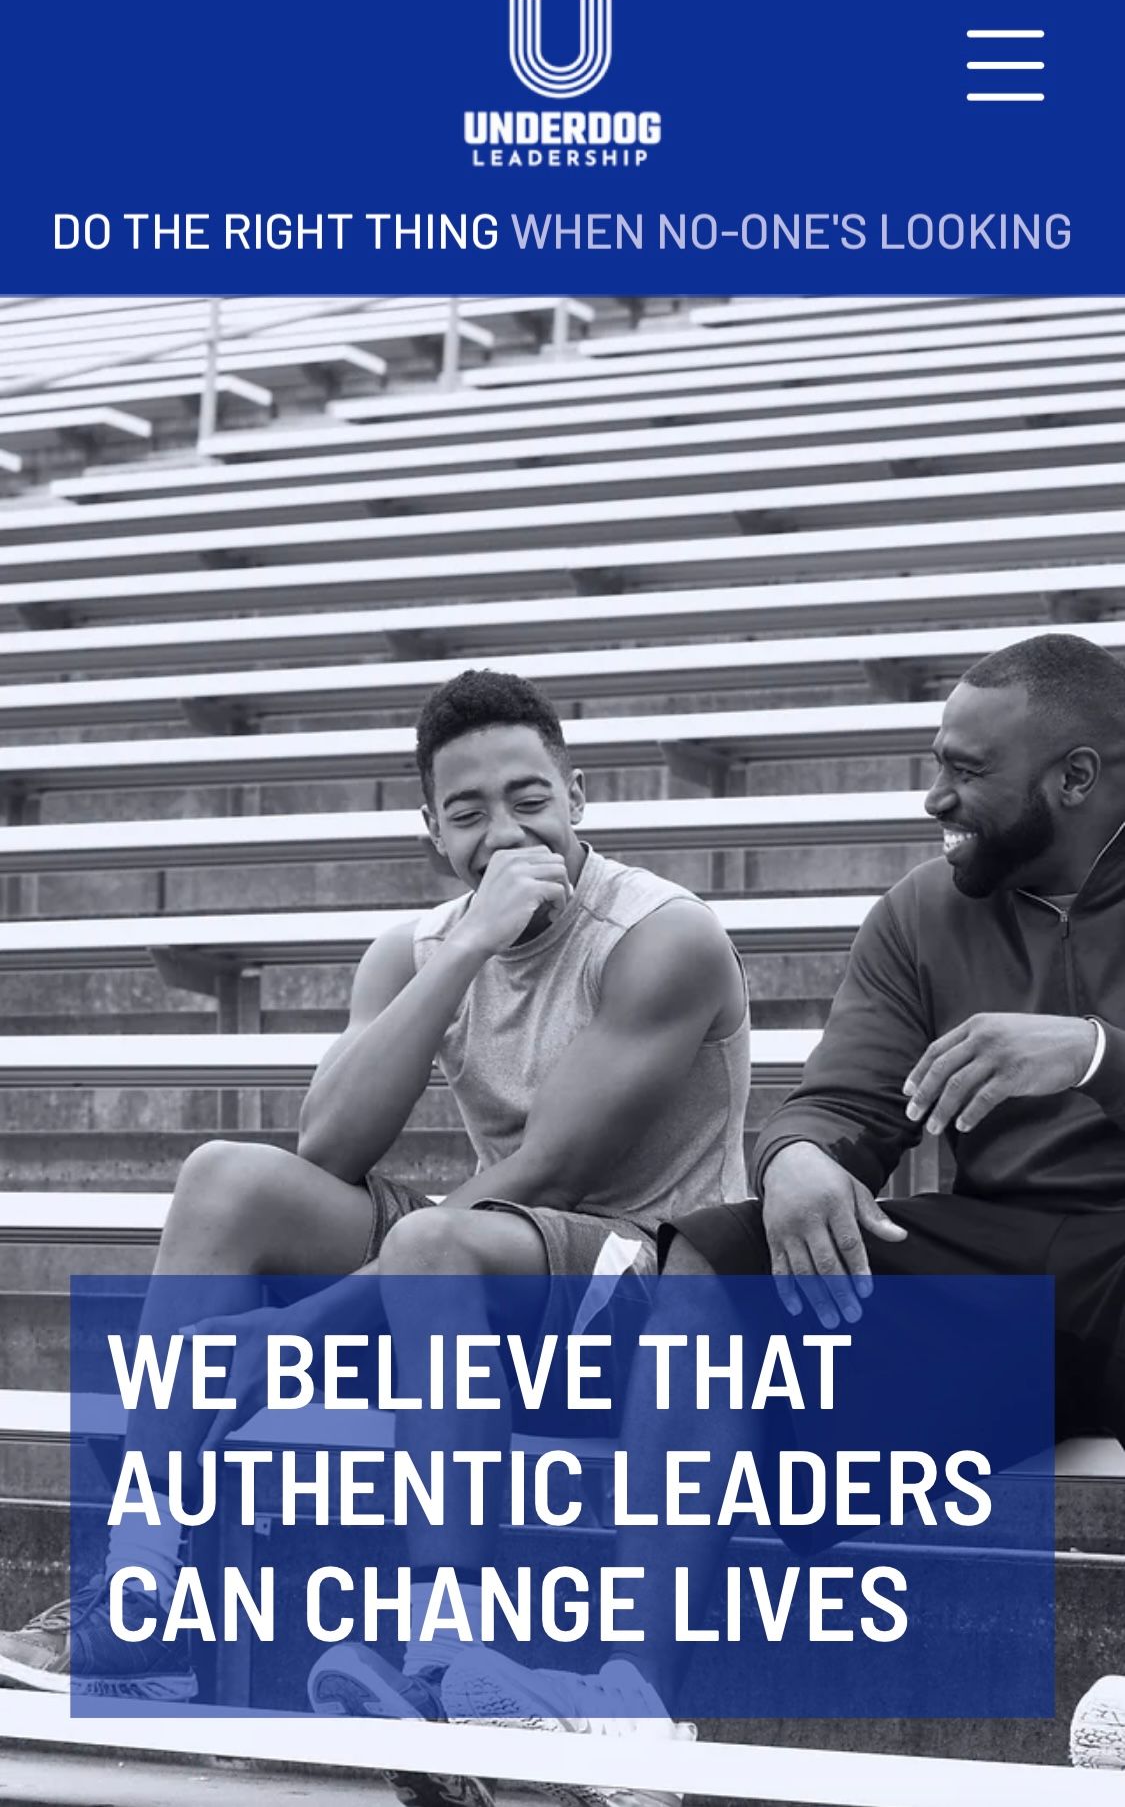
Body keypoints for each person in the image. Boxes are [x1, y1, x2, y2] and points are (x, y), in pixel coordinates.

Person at [0, 669, 750, 1748]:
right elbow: (331, 1146)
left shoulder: (661, 935)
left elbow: (551, 1170)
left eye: (530, 799)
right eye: (468, 812)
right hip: (496, 1268)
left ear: (578, 797)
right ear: (430, 832)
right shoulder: (421, 946)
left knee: (436, 1239)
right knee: (227, 1178)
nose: (505, 833)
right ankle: (142, 1602)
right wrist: (463, 952)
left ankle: (441, 1653)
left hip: (653, 1288)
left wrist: (299, 1330)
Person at [443, 632, 1125, 1774]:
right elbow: (840, 1099)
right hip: (1002, 1259)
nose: (935, 796)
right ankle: (631, 1707)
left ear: (1075, 777)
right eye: (936, 762)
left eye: (966, 771)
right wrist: (801, 1157)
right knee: (722, 1257)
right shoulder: (922, 910)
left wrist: (1095, 1052)